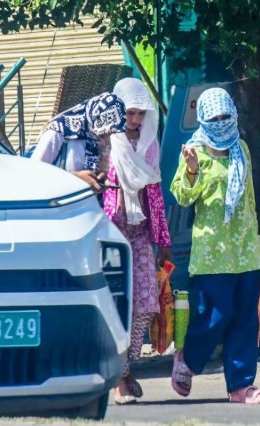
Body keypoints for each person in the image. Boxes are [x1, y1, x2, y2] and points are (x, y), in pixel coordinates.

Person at [169, 88, 260, 404]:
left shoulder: (241, 148)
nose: (221, 122)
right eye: (214, 118)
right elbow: (182, 197)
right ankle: (188, 360)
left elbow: (249, 198)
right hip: (212, 252)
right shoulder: (194, 151)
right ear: (203, 119)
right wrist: (192, 170)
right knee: (215, 315)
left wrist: (255, 240)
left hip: (245, 250)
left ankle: (241, 386)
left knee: (245, 320)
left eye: (226, 115)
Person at [101, 78, 172, 404]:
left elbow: (154, 193)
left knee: (144, 304)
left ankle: (126, 367)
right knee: (116, 305)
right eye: (129, 113)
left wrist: (163, 240)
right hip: (111, 234)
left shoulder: (149, 144)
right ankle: (119, 381)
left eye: (140, 113)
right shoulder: (105, 142)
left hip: (140, 233)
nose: (135, 120)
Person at [30, 92, 126, 191]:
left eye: (112, 132)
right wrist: (76, 179)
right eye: (105, 132)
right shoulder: (57, 132)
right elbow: (32, 174)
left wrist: (100, 178)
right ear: (95, 119)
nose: (107, 137)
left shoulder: (98, 137)